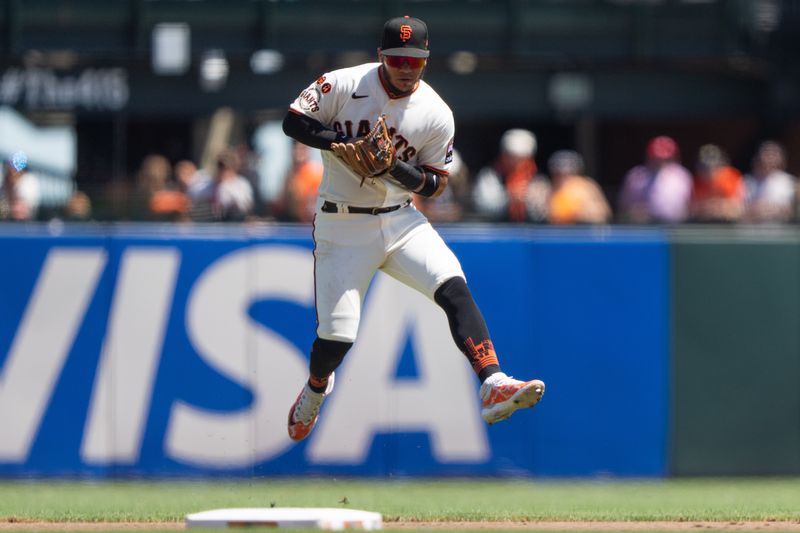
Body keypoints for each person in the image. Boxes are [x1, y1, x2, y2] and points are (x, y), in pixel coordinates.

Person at [281, 15, 545, 442]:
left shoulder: (435, 112)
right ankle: (316, 388)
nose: (406, 68)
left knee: (453, 286)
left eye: (415, 60)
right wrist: (338, 144)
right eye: (398, 59)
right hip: (342, 222)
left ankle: (493, 381)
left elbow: (437, 184)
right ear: (381, 56)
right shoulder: (344, 83)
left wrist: (394, 167)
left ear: (426, 61)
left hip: (402, 218)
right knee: (336, 338)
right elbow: (294, 121)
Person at [617, 136, 693, 224]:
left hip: (675, 226)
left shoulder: (682, 176)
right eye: (656, 159)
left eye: (665, 159)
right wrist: (635, 212)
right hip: (643, 228)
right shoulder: (636, 176)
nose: (660, 163)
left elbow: (690, 207)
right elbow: (623, 208)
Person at [472, 128, 543, 222]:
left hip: (530, 233)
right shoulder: (490, 176)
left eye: (521, 158)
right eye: (511, 156)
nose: (516, 162)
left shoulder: (538, 179)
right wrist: (509, 197)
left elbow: (543, 215)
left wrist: (530, 200)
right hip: (495, 231)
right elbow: (484, 207)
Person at [546, 150, 611, 225]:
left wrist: (577, 214)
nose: (563, 177)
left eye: (568, 173)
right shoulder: (549, 189)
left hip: (582, 232)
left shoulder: (587, 187)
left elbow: (602, 215)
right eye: (558, 173)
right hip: (557, 233)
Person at [188, 148, 255, 222]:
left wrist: (226, 187)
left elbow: (245, 206)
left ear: (233, 168)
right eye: (221, 168)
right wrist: (215, 184)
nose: (224, 171)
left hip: (235, 223)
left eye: (226, 168)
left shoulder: (242, 184)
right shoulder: (210, 183)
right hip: (214, 224)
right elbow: (193, 193)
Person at [743, 141, 796, 223]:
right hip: (751, 230)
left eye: (773, 155)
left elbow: (791, 210)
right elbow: (740, 208)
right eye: (766, 155)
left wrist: (770, 208)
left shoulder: (788, 182)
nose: (768, 159)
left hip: (779, 230)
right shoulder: (747, 181)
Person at [689, 144, 744, 223]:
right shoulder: (696, 181)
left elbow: (737, 209)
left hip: (729, 225)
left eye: (713, 164)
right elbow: (693, 209)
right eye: (704, 166)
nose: (709, 169)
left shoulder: (731, 176)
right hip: (705, 224)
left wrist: (716, 207)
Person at [0, 151, 41, 221]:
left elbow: (20, 211)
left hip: (26, 225)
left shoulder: (29, 181)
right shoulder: (4, 182)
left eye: (14, 168)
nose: (11, 171)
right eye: (9, 167)